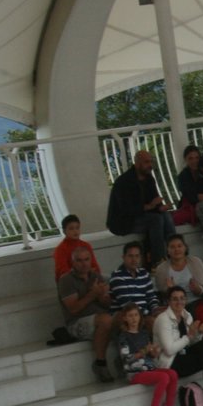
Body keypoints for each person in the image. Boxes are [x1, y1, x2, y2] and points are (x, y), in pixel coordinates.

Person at [58, 245, 117, 382]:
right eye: (79, 260)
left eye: (86, 259)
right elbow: (73, 309)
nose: (84, 264)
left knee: (126, 317)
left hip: (101, 316)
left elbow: (107, 303)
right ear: (73, 262)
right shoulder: (66, 280)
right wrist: (93, 294)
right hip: (77, 323)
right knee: (106, 320)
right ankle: (101, 363)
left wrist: (102, 296)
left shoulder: (96, 276)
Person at [105, 150, 173, 266]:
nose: (150, 165)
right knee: (156, 220)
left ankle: (175, 254)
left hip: (141, 217)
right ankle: (158, 262)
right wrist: (150, 206)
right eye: (146, 162)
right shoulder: (124, 182)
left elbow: (153, 202)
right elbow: (127, 210)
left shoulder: (149, 179)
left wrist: (160, 208)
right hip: (123, 221)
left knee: (165, 216)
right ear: (137, 164)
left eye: (150, 162)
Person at [151, 233, 203, 300]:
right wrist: (170, 290)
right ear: (168, 250)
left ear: (185, 248)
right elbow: (162, 295)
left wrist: (197, 289)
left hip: (195, 301)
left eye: (179, 246)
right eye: (172, 247)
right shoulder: (161, 269)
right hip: (173, 303)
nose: (176, 249)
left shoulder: (196, 262)